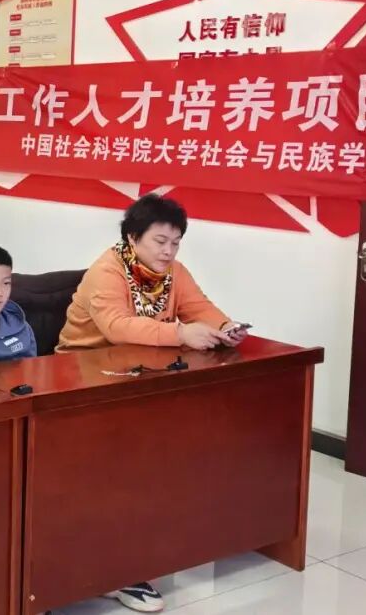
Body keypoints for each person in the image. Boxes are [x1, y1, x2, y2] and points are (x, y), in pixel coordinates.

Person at [57, 194, 248, 614]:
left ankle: (157, 543)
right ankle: (118, 565)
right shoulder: (107, 270)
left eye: (175, 243)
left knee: (178, 448)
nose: (168, 251)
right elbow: (117, 327)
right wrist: (181, 333)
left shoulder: (173, 272)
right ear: (133, 238)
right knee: (127, 464)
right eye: (160, 241)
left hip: (143, 374)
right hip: (85, 376)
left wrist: (225, 326)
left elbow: (199, 307)